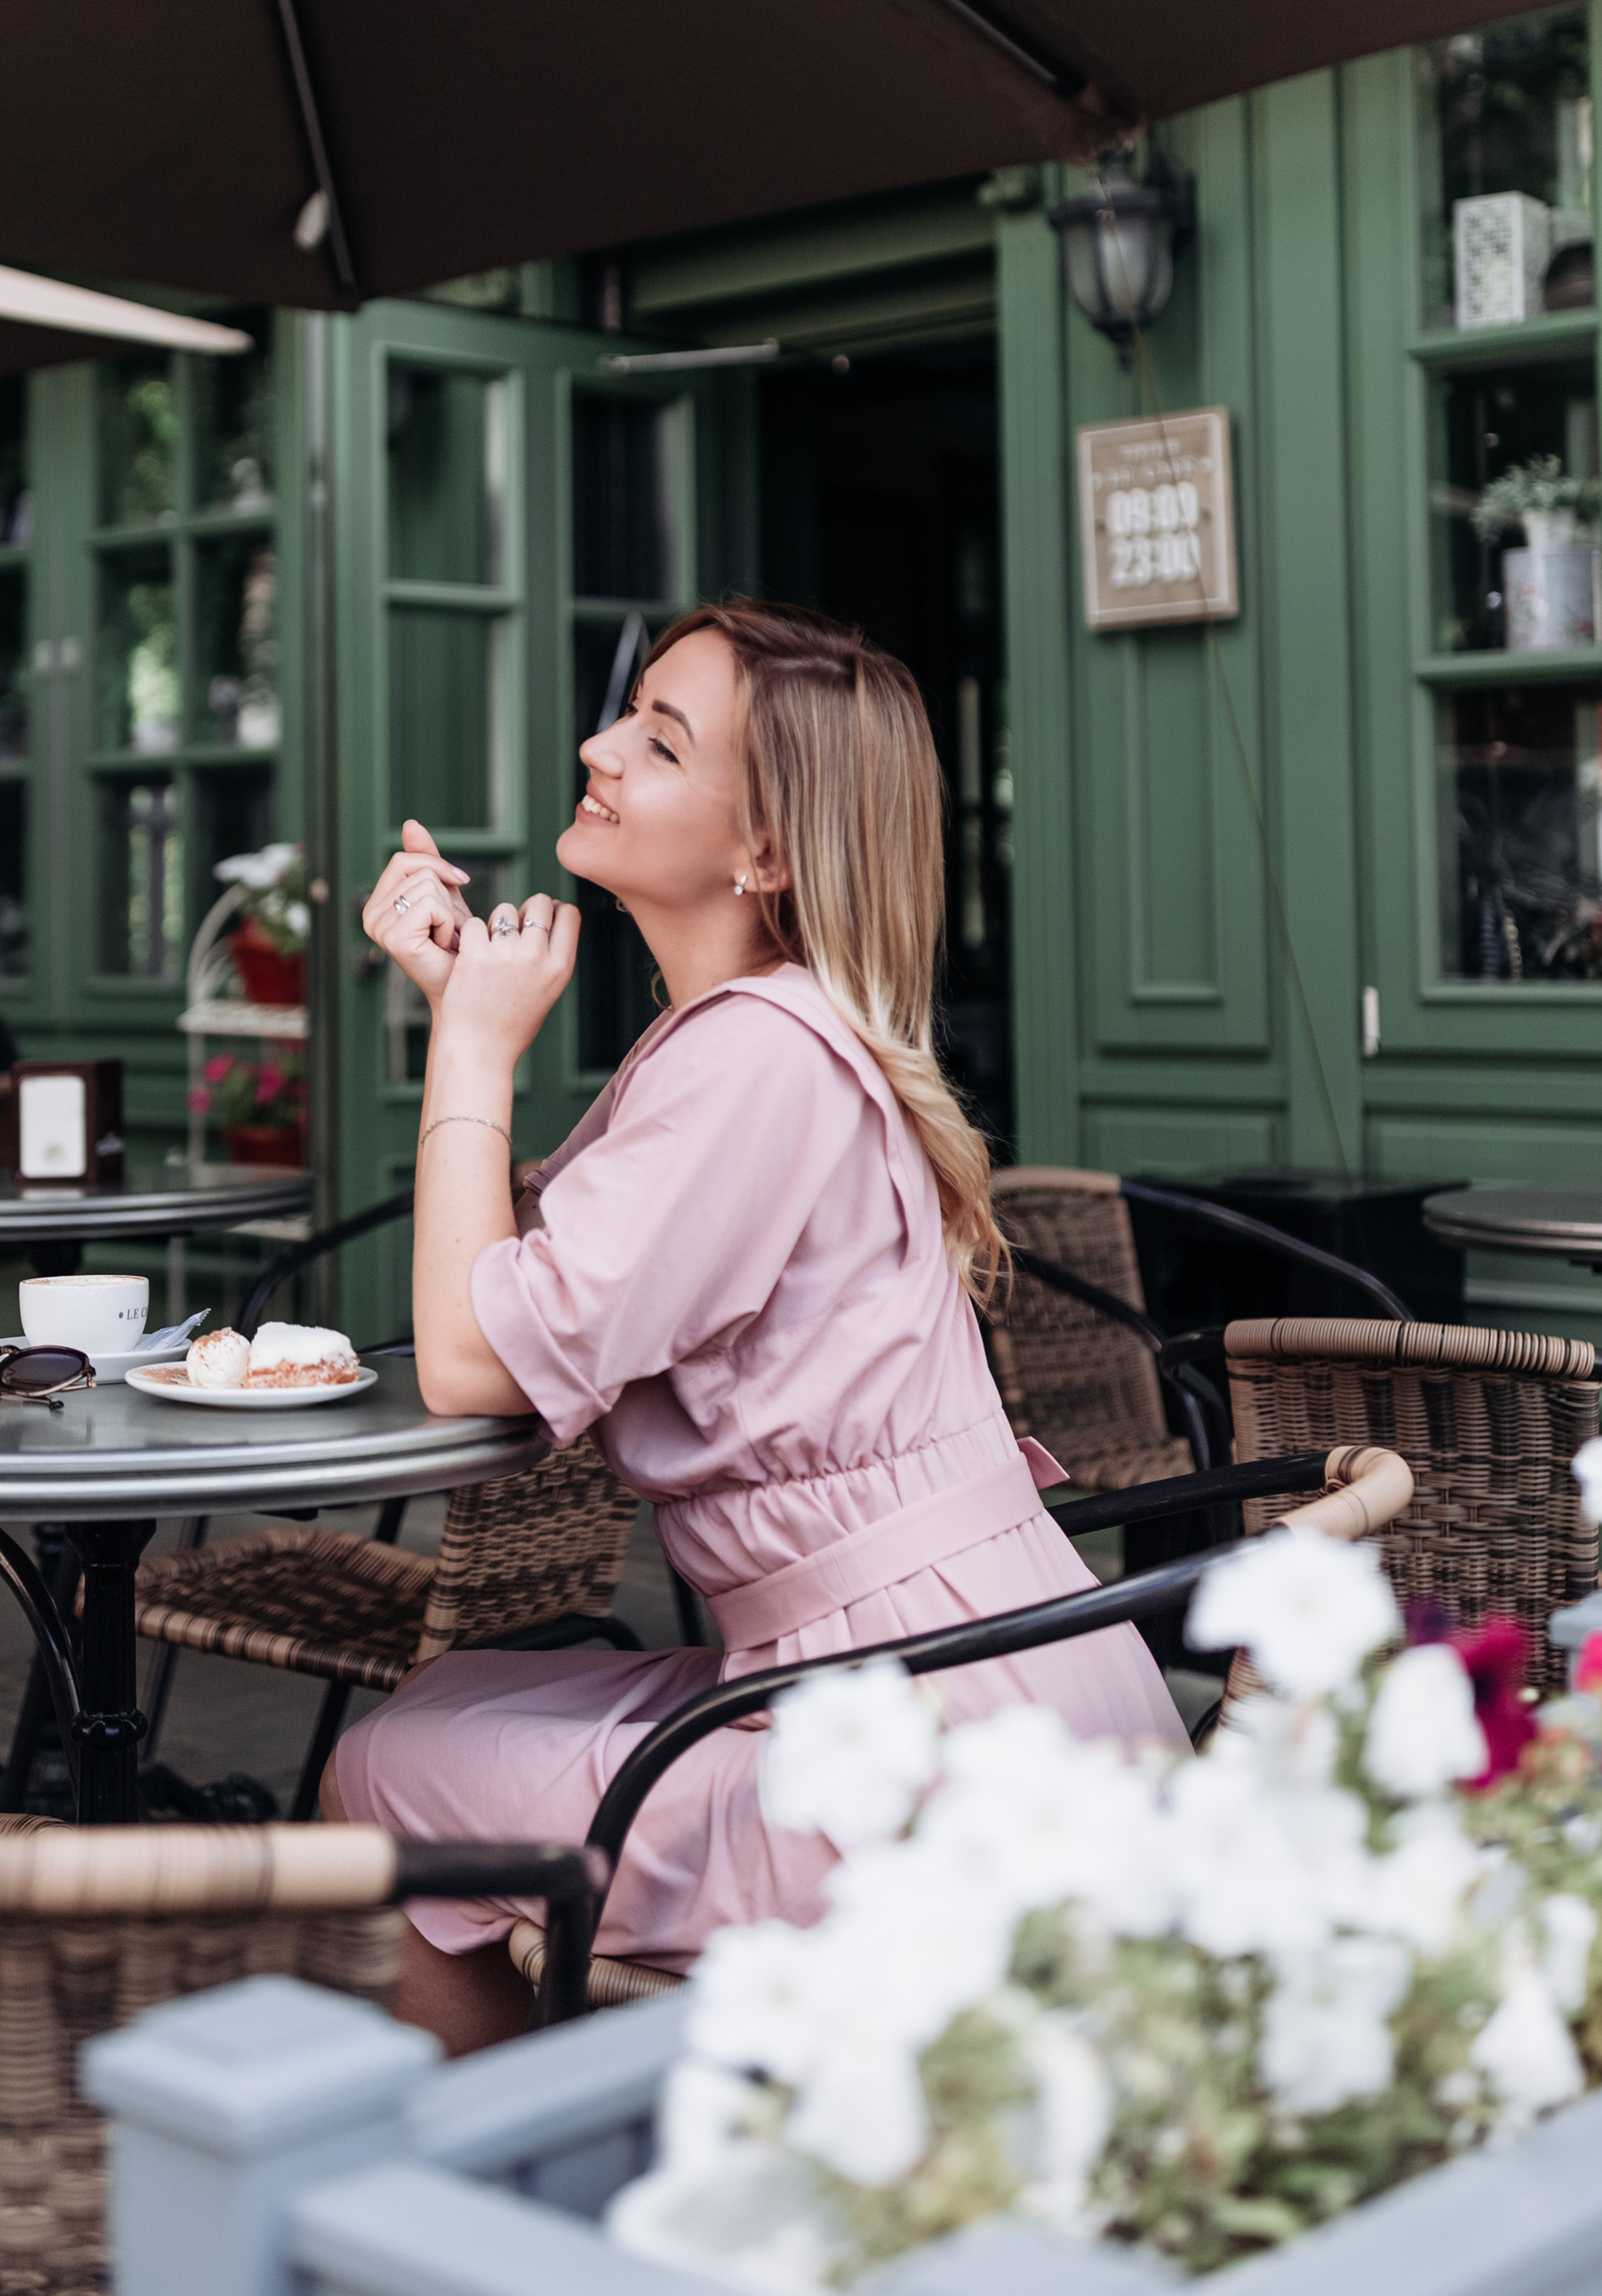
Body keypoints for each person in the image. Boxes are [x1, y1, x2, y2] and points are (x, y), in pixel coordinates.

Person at [323, 598, 1185, 2051]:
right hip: (983, 1670)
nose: (596, 747)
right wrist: (452, 1001)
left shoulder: (750, 1062)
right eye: (628, 715)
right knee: (454, 1697)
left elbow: (476, 1363)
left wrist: (469, 1047)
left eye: (658, 741)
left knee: (396, 1764)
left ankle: (493, 2183)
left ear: (766, 851)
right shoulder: (766, 1037)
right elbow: (549, 1296)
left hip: (913, 1751)